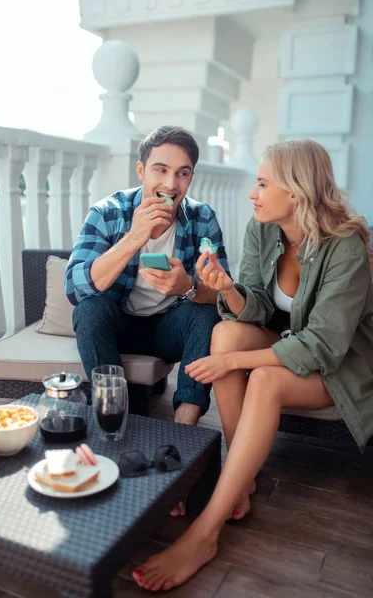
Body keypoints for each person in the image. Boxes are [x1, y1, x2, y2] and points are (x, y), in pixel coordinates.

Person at [132, 138, 373, 591]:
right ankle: (241, 482)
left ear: (296, 193)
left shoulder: (346, 249)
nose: (252, 192)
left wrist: (233, 362)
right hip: (285, 342)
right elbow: (258, 308)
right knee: (224, 331)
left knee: (259, 377)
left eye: (262, 183)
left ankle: (206, 533)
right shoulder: (263, 229)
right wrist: (227, 289)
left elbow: (322, 346)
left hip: (337, 366)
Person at [64, 126, 230, 513]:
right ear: (141, 170)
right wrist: (133, 238)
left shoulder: (202, 219)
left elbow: (222, 294)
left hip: (166, 328)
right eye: (160, 170)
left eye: (182, 173)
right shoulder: (109, 212)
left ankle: (179, 442)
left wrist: (188, 286)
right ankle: (115, 427)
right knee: (89, 308)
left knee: (203, 313)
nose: (170, 183)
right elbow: (76, 287)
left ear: (191, 177)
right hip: (117, 326)